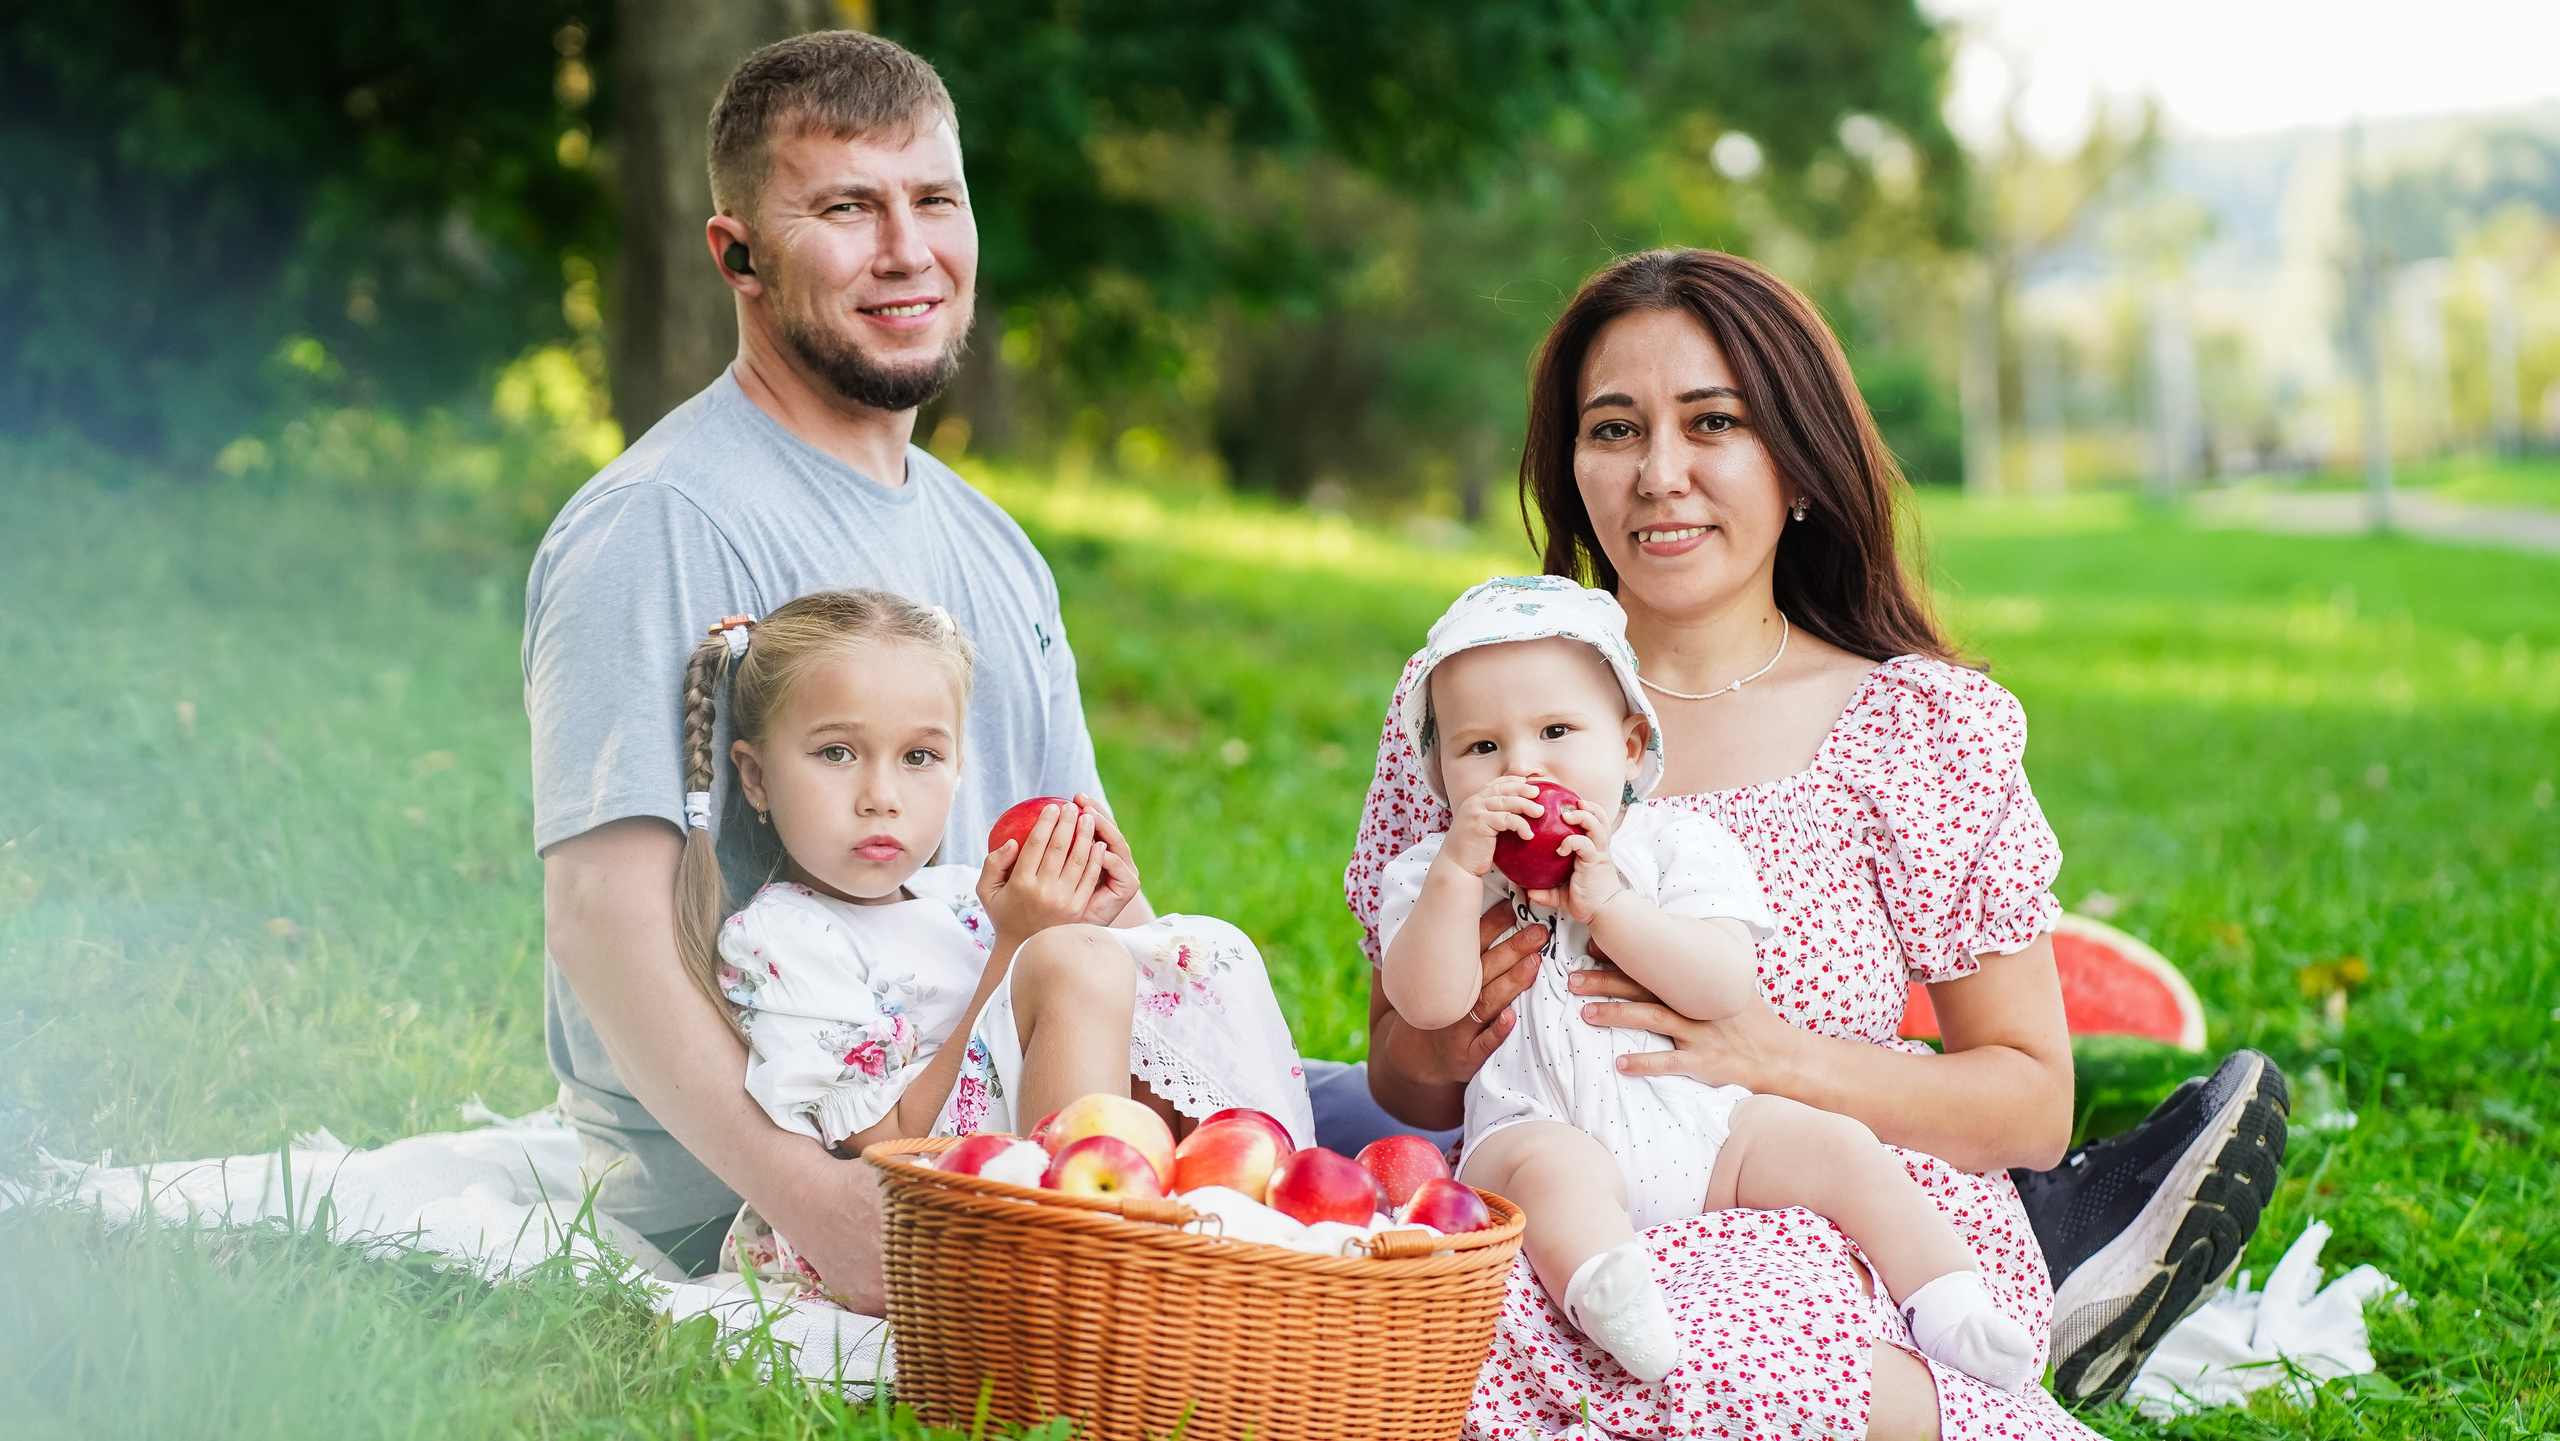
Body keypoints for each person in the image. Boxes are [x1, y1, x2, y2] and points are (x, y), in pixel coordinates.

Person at [1344, 249, 2289, 1436]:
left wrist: (1765, 1055)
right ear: (1568, 465)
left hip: (1816, 1214)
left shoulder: (1916, 729)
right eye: (1614, 429)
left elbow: (2029, 1099)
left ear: (1795, 462)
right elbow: (1398, 1070)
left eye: (1713, 422)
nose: (1659, 475)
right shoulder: (1470, 707)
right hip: (1557, 1206)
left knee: (1711, 1344)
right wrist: (1455, 1024)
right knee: (1426, 1328)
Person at [526, 32, 1122, 1302]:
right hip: (779, 1188)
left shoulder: (998, 551)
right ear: (736, 252)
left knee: (1448, 1163)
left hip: (1023, 1129)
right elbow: (599, 918)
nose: (908, 250)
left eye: (935, 200)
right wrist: (826, 1210)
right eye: (847, 207)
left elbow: (1093, 894)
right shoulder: (664, 522)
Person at [1375, 575, 2039, 1391]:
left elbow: (1723, 987)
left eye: (1555, 731)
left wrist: (1611, 904)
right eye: (1481, 749)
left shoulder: (1676, 846)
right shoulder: (1432, 876)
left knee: (1837, 1147)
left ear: (1626, 748)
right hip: (1539, 1121)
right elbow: (1428, 1003)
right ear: (1440, 776)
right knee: (1547, 1177)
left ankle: (1948, 1297)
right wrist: (1454, 875)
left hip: (1705, 1130)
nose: (1524, 769)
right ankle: (1610, 1293)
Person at [666, 590, 1309, 1284]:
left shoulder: (964, 897)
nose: (881, 793)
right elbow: (887, 1145)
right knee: (1070, 960)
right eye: (837, 751)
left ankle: (1253, 1234)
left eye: (919, 756)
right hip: (934, 1215)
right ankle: (1079, 1275)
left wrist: (1107, 921)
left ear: (957, 769)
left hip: (1046, 1156)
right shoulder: (780, 938)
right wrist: (1025, 950)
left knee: (1202, 948)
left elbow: (1071, 1020)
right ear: (756, 777)